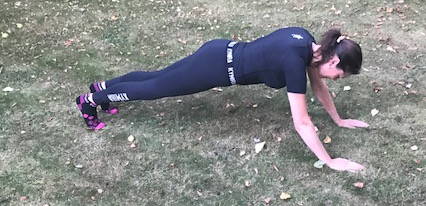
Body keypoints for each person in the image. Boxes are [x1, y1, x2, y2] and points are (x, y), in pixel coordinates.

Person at [76, 27, 369, 172]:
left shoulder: (306, 40)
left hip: (219, 50)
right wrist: (330, 161)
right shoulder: (295, 62)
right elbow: (302, 122)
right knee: (156, 87)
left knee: (157, 77)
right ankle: (90, 100)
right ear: (333, 62)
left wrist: (339, 119)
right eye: (339, 76)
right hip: (214, 67)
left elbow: (318, 86)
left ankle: (103, 88)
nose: (334, 80)